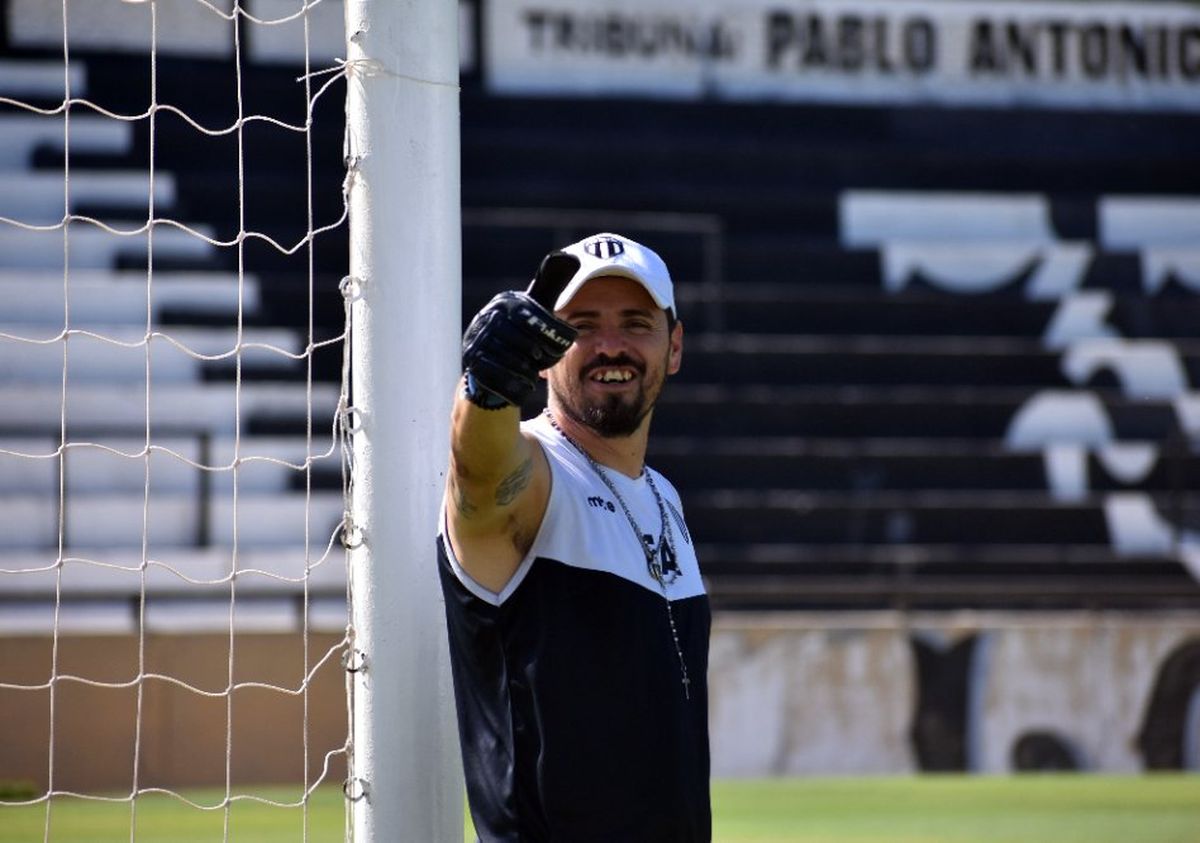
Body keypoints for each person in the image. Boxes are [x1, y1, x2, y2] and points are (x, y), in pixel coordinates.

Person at [438, 232, 711, 842]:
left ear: (674, 347)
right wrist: (488, 386)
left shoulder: (664, 496)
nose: (609, 346)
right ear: (544, 348)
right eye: (581, 325)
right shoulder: (534, 473)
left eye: (635, 323)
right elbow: (478, 469)